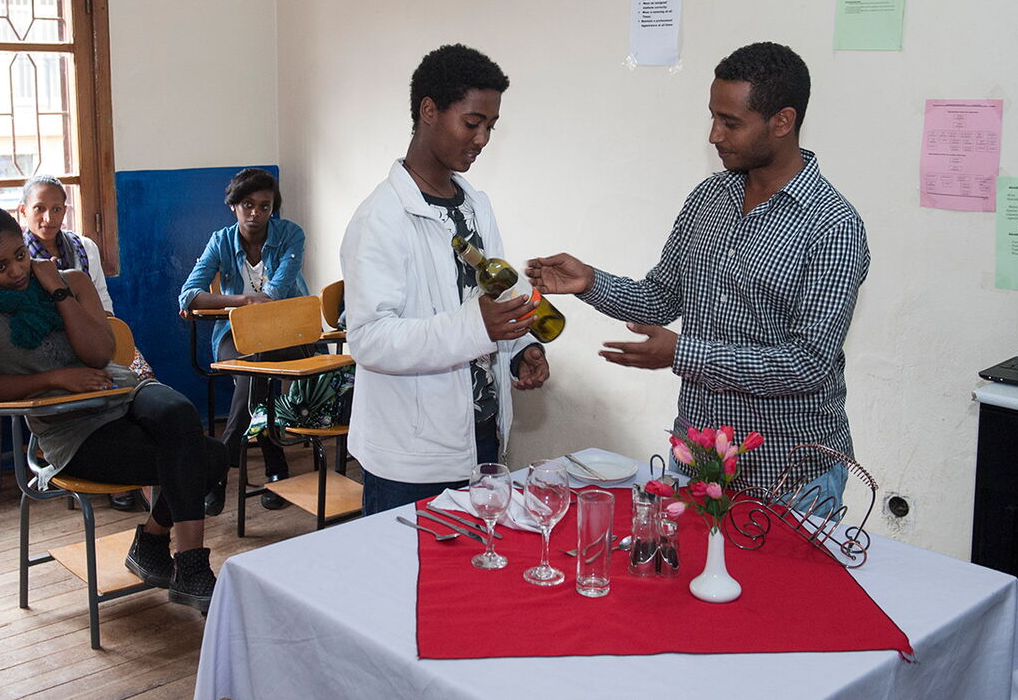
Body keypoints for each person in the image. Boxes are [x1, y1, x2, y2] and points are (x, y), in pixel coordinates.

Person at [527, 42, 869, 506]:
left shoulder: (833, 226)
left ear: (782, 122)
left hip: (790, 475)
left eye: (731, 123)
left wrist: (683, 353)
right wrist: (589, 281)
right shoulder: (709, 199)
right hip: (698, 461)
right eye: (713, 116)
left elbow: (807, 363)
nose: (714, 135)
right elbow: (661, 297)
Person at [0, 206, 226, 611]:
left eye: (20, 256)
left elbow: (97, 354)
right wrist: (56, 378)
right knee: (209, 457)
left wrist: (57, 290)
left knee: (179, 413)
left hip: (121, 390)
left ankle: (189, 565)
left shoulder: (70, 280)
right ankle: (151, 544)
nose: (17, 272)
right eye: (0, 267)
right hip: (71, 429)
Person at [340, 43, 550, 515]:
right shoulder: (381, 218)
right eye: (472, 123)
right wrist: (477, 327)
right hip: (411, 457)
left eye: (491, 127)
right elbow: (369, 340)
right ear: (429, 111)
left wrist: (519, 351)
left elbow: (494, 297)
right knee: (406, 583)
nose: (482, 139)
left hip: (480, 436)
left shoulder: (476, 205)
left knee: (476, 578)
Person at [179, 168, 312, 514]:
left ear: (273, 209)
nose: (255, 214)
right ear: (233, 206)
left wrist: (242, 301)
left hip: (288, 334)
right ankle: (275, 466)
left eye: (265, 206)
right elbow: (188, 296)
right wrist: (242, 301)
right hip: (235, 335)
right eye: (247, 205)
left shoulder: (291, 235)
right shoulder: (220, 241)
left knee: (256, 363)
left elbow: (275, 294)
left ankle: (222, 464)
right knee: (255, 367)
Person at [18, 174, 152, 513]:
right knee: (94, 397)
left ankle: (138, 475)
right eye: (39, 209)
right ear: (23, 211)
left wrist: (101, 336)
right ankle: (108, 471)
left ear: (66, 211)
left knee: (143, 386)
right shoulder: (17, 261)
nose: (48, 218)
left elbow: (103, 302)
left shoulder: (83, 247)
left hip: (93, 341)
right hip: (51, 353)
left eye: (57, 209)